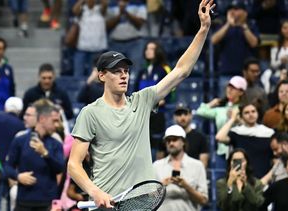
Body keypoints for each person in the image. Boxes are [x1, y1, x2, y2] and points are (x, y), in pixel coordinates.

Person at [67, 0, 214, 208]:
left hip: (141, 202)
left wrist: (203, 29)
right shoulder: (90, 113)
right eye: (116, 71)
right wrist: (95, 192)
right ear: (101, 76)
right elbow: (74, 165)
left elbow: (181, 71)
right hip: (105, 203)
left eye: (126, 71)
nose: (123, 75)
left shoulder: (143, 100)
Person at [5, 99, 65, 211]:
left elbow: (60, 168)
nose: (57, 125)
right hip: (24, 201)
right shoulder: (20, 140)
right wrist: (18, 176)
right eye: (54, 121)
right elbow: (7, 167)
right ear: (42, 119)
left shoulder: (56, 143)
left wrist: (45, 153)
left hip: (47, 202)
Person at [153, 125, 208, 210]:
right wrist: (162, 185)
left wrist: (186, 186)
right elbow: (149, 199)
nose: (171, 143)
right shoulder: (156, 166)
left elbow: (203, 200)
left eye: (174, 140)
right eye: (168, 141)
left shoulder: (197, 166)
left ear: (183, 142)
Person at [196, 75, 247, 168]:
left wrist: (238, 120)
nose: (229, 90)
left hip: (239, 152)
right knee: (220, 181)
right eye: (229, 86)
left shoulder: (245, 109)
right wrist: (211, 103)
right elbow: (200, 111)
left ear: (241, 92)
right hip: (222, 152)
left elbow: (250, 126)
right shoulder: (220, 110)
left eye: (234, 88)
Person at [216, 103, 274, 178]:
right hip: (241, 178)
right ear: (241, 116)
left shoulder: (268, 132)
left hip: (264, 178)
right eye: (246, 112)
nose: (251, 114)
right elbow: (219, 137)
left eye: (253, 111)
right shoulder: (236, 132)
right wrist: (233, 119)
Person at [211, 1, 259, 76]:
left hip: (245, 72)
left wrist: (243, 25)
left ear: (244, 12)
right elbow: (213, 40)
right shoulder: (223, 24)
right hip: (226, 70)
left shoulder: (251, 24)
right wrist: (228, 24)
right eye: (231, 9)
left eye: (236, 9)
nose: (232, 11)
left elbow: (254, 43)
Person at [72, 0, 108, 77]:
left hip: (97, 50)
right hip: (82, 48)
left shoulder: (101, 10)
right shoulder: (82, 10)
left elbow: (105, 4)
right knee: (78, 76)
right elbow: (74, 11)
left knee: (94, 77)